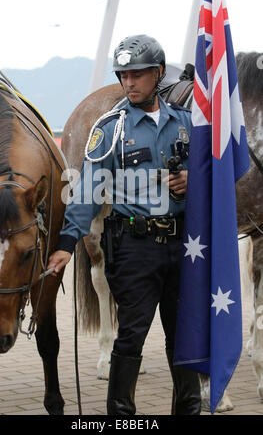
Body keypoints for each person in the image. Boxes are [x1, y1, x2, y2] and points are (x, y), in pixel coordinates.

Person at [47, 34, 201, 415]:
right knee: (130, 338)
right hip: (135, 249)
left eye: (137, 74)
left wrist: (193, 183)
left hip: (183, 247)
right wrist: (67, 244)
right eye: (123, 75)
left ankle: (189, 409)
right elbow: (86, 191)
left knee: (184, 338)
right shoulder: (110, 128)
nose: (128, 83)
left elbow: (213, 177)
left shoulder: (187, 124)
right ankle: (121, 417)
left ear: (158, 73)